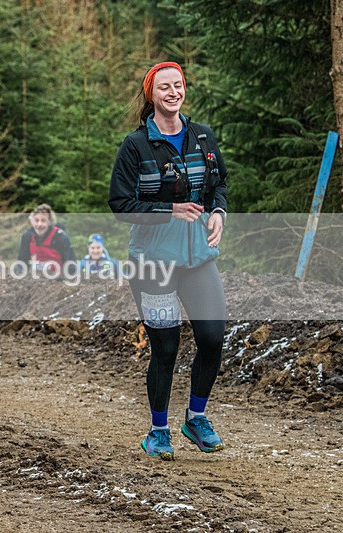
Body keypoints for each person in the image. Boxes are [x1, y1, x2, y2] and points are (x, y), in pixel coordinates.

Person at [108, 61, 228, 461]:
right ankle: (157, 431)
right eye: (165, 87)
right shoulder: (136, 145)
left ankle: (196, 418)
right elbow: (121, 204)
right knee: (166, 348)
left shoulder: (203, 136)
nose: (173, 92)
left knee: (212, 338)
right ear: (151, 95)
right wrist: (169, 210)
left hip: (199, 260)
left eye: (178, 85)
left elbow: (219, 185)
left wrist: (218, 213)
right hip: (153, 263)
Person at [16, 203, 77, 277]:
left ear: (49, 222)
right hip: (36, 280)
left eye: (43, 221)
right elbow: (22, 260)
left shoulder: (60, 237)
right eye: (36, 220)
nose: (39, 224)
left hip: (58, 281)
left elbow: (71, 264)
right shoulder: (27, 236)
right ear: (32, 222)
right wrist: (20, 276)